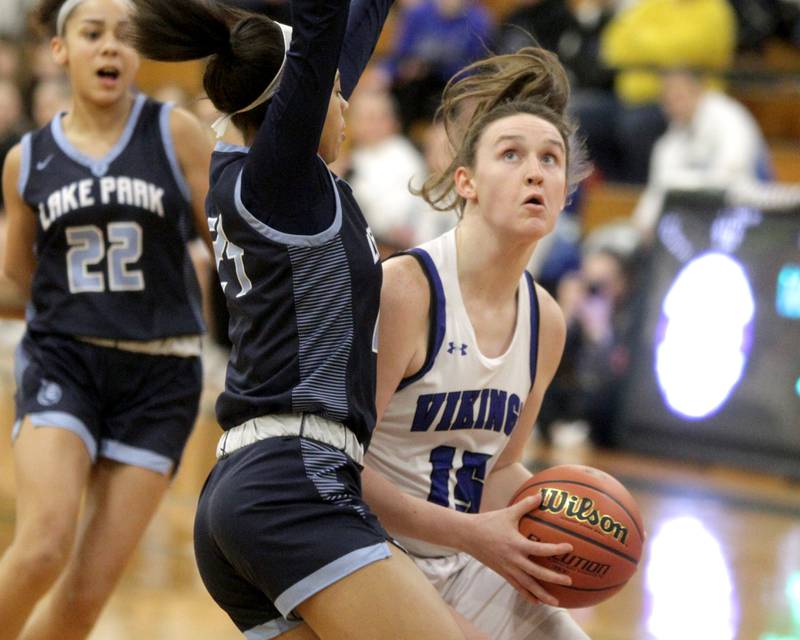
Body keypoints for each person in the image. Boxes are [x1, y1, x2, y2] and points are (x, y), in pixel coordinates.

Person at [129, 0, 468, 638]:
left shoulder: (252, 173)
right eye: (333, 91)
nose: (343, 100)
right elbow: (321, 25)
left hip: (248, 483)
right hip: (295, 480)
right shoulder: (279, 179)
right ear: (298, 103)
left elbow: (348, 26)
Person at [363, 47, 593, 639]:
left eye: (550, 158)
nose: (536, 171)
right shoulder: (406, 291)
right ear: (465, 180)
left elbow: (503, 467)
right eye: (511, 155)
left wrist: (579, 524)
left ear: (565, 189)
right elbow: (333, 464)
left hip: (458, 555)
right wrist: (470, 534)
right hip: (364, 548)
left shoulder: (547, 321)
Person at [0, 0, 214, 637]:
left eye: (124, 36)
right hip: (65, 358)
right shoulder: (27, 161)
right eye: (92, 34)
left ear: (140, 54)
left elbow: (228, 247)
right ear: (61, 51)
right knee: (42, 545)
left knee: (84, 598)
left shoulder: (175, 133)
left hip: (162, 377)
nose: (110, 48)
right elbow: (17, 277)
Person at [632, 67, 773, 237]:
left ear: (697, 90)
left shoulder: (728, 117)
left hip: (746, 213)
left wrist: (676, 182)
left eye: (678, 96)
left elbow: (730, 178)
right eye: (667, 100)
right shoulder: (670, 140)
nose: (673, 105)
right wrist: (641, 226)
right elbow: (657, 189)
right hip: (696, 219)